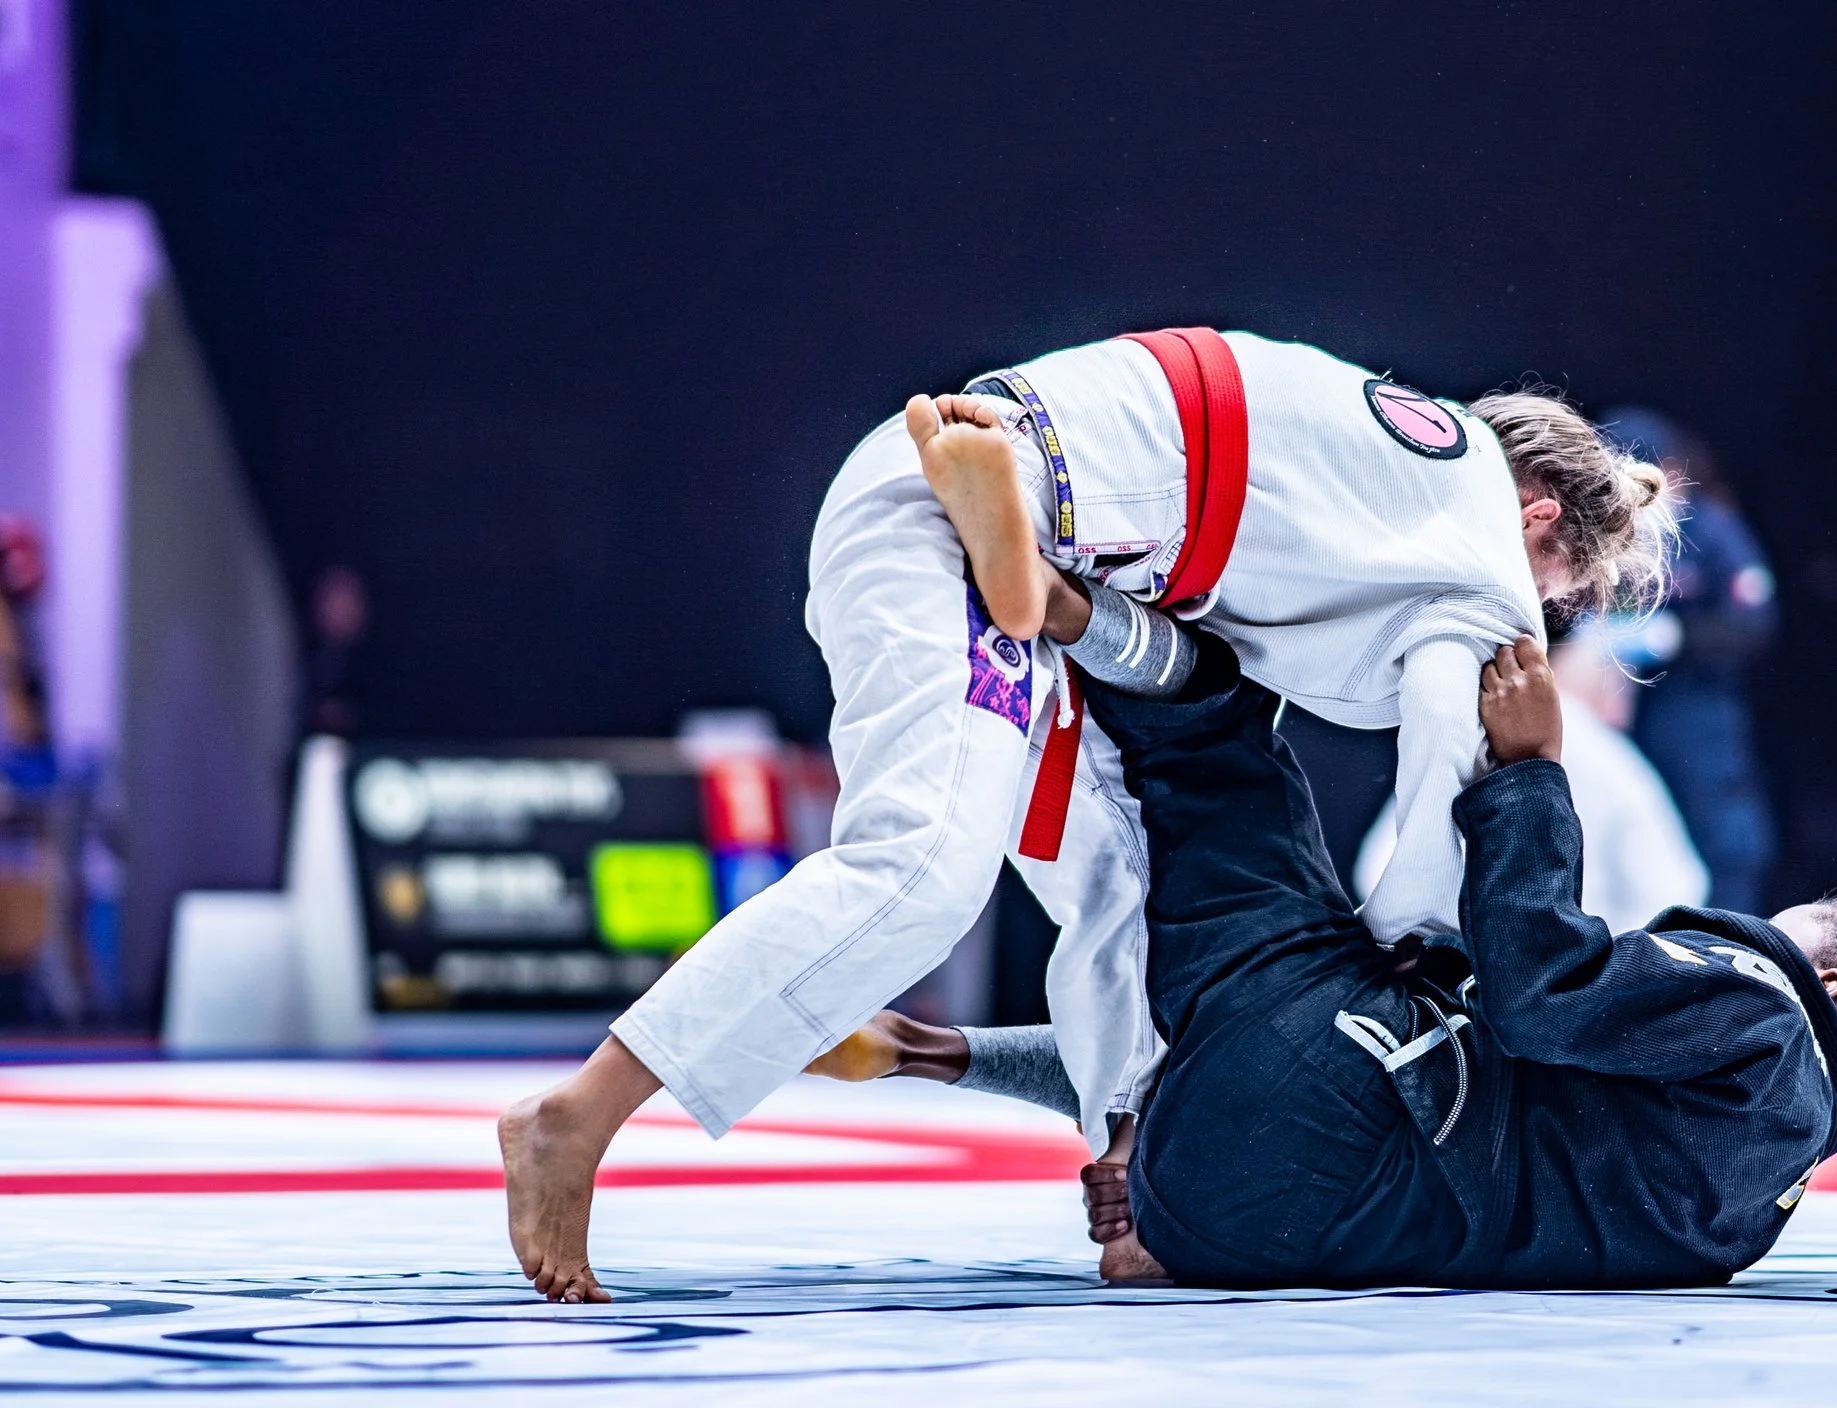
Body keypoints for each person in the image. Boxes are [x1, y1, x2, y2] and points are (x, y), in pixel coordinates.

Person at [499, 330, 1670, 1303]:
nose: (1544, 630)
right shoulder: (1484, 571)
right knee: (922, 875)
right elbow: (1439, 814)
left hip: (1043, 523)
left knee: (1121, 874)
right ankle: (578, 1114)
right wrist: (1440, 923)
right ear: (1537, 518)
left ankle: (1127, 1144)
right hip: (960, 511)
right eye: (1565, 595)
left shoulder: (1384, 464)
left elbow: (1207, 669)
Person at [831, 632, 1837, 1288]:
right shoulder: (1744, 1223)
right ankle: (974, 1069)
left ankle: (1077, 593)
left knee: (1222, 750)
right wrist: (1171, 1208)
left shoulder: (1769, 1019)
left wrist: (1527, 782)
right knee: (1254, 1025)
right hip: (1246, 1233)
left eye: (1799, 926)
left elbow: (1536, 993)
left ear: (1827, 982)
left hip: (1316, 1105)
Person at [1352, 627, 1711, 933]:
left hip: (1464, 980)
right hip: (1566, 983)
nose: (1621, 694)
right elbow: (1675, 887)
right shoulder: (1605, 754)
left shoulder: (1470, 738)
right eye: (1611, 668)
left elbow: (1379, 870)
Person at [1596, 408, 1778, 912]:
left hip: (1698, 710)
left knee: (1720, 837)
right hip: (1625, 712)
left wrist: (1675, 636)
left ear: (1670, 472)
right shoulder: (1608, 535)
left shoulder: (1712, 530)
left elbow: (1753, 623)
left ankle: (1730, 952)